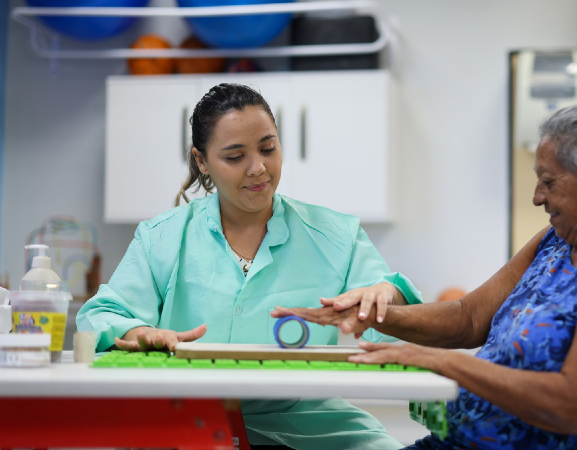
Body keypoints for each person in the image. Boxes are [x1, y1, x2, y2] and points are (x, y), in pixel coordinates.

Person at [273, 103, 577, 449]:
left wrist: (442, 363)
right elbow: (469, 317)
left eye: (548, 182)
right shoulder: (557, 241)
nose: (537, 197)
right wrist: (373, 316)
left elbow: (576, 405)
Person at [76, 83, 423, 450]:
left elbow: (397, 328)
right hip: (183, 417)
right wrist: (140, 332)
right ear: (202, 161)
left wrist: (389, 295)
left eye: (268, 148)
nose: (258, 168)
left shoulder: (337, 235)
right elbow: (100, 315)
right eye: (235, 156)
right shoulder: (162, 237)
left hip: (307, 421)